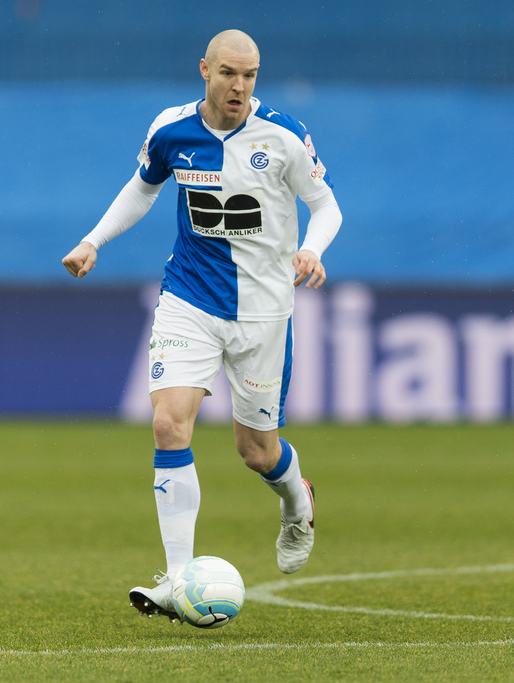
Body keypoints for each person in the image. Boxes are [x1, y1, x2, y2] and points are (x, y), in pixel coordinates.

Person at [62, 29, 342, 621]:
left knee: (256, 451)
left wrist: (313, 249)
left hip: (264, 311)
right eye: (229, 74)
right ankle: (177, 576)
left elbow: (327, 206)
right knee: (168, 422)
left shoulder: (285, 135)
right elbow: (142, 190)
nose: (240, 87)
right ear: (205, 71)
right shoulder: (172, 130)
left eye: (250, 75)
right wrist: (93, 241)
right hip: (189, 297)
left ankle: (298, 501)